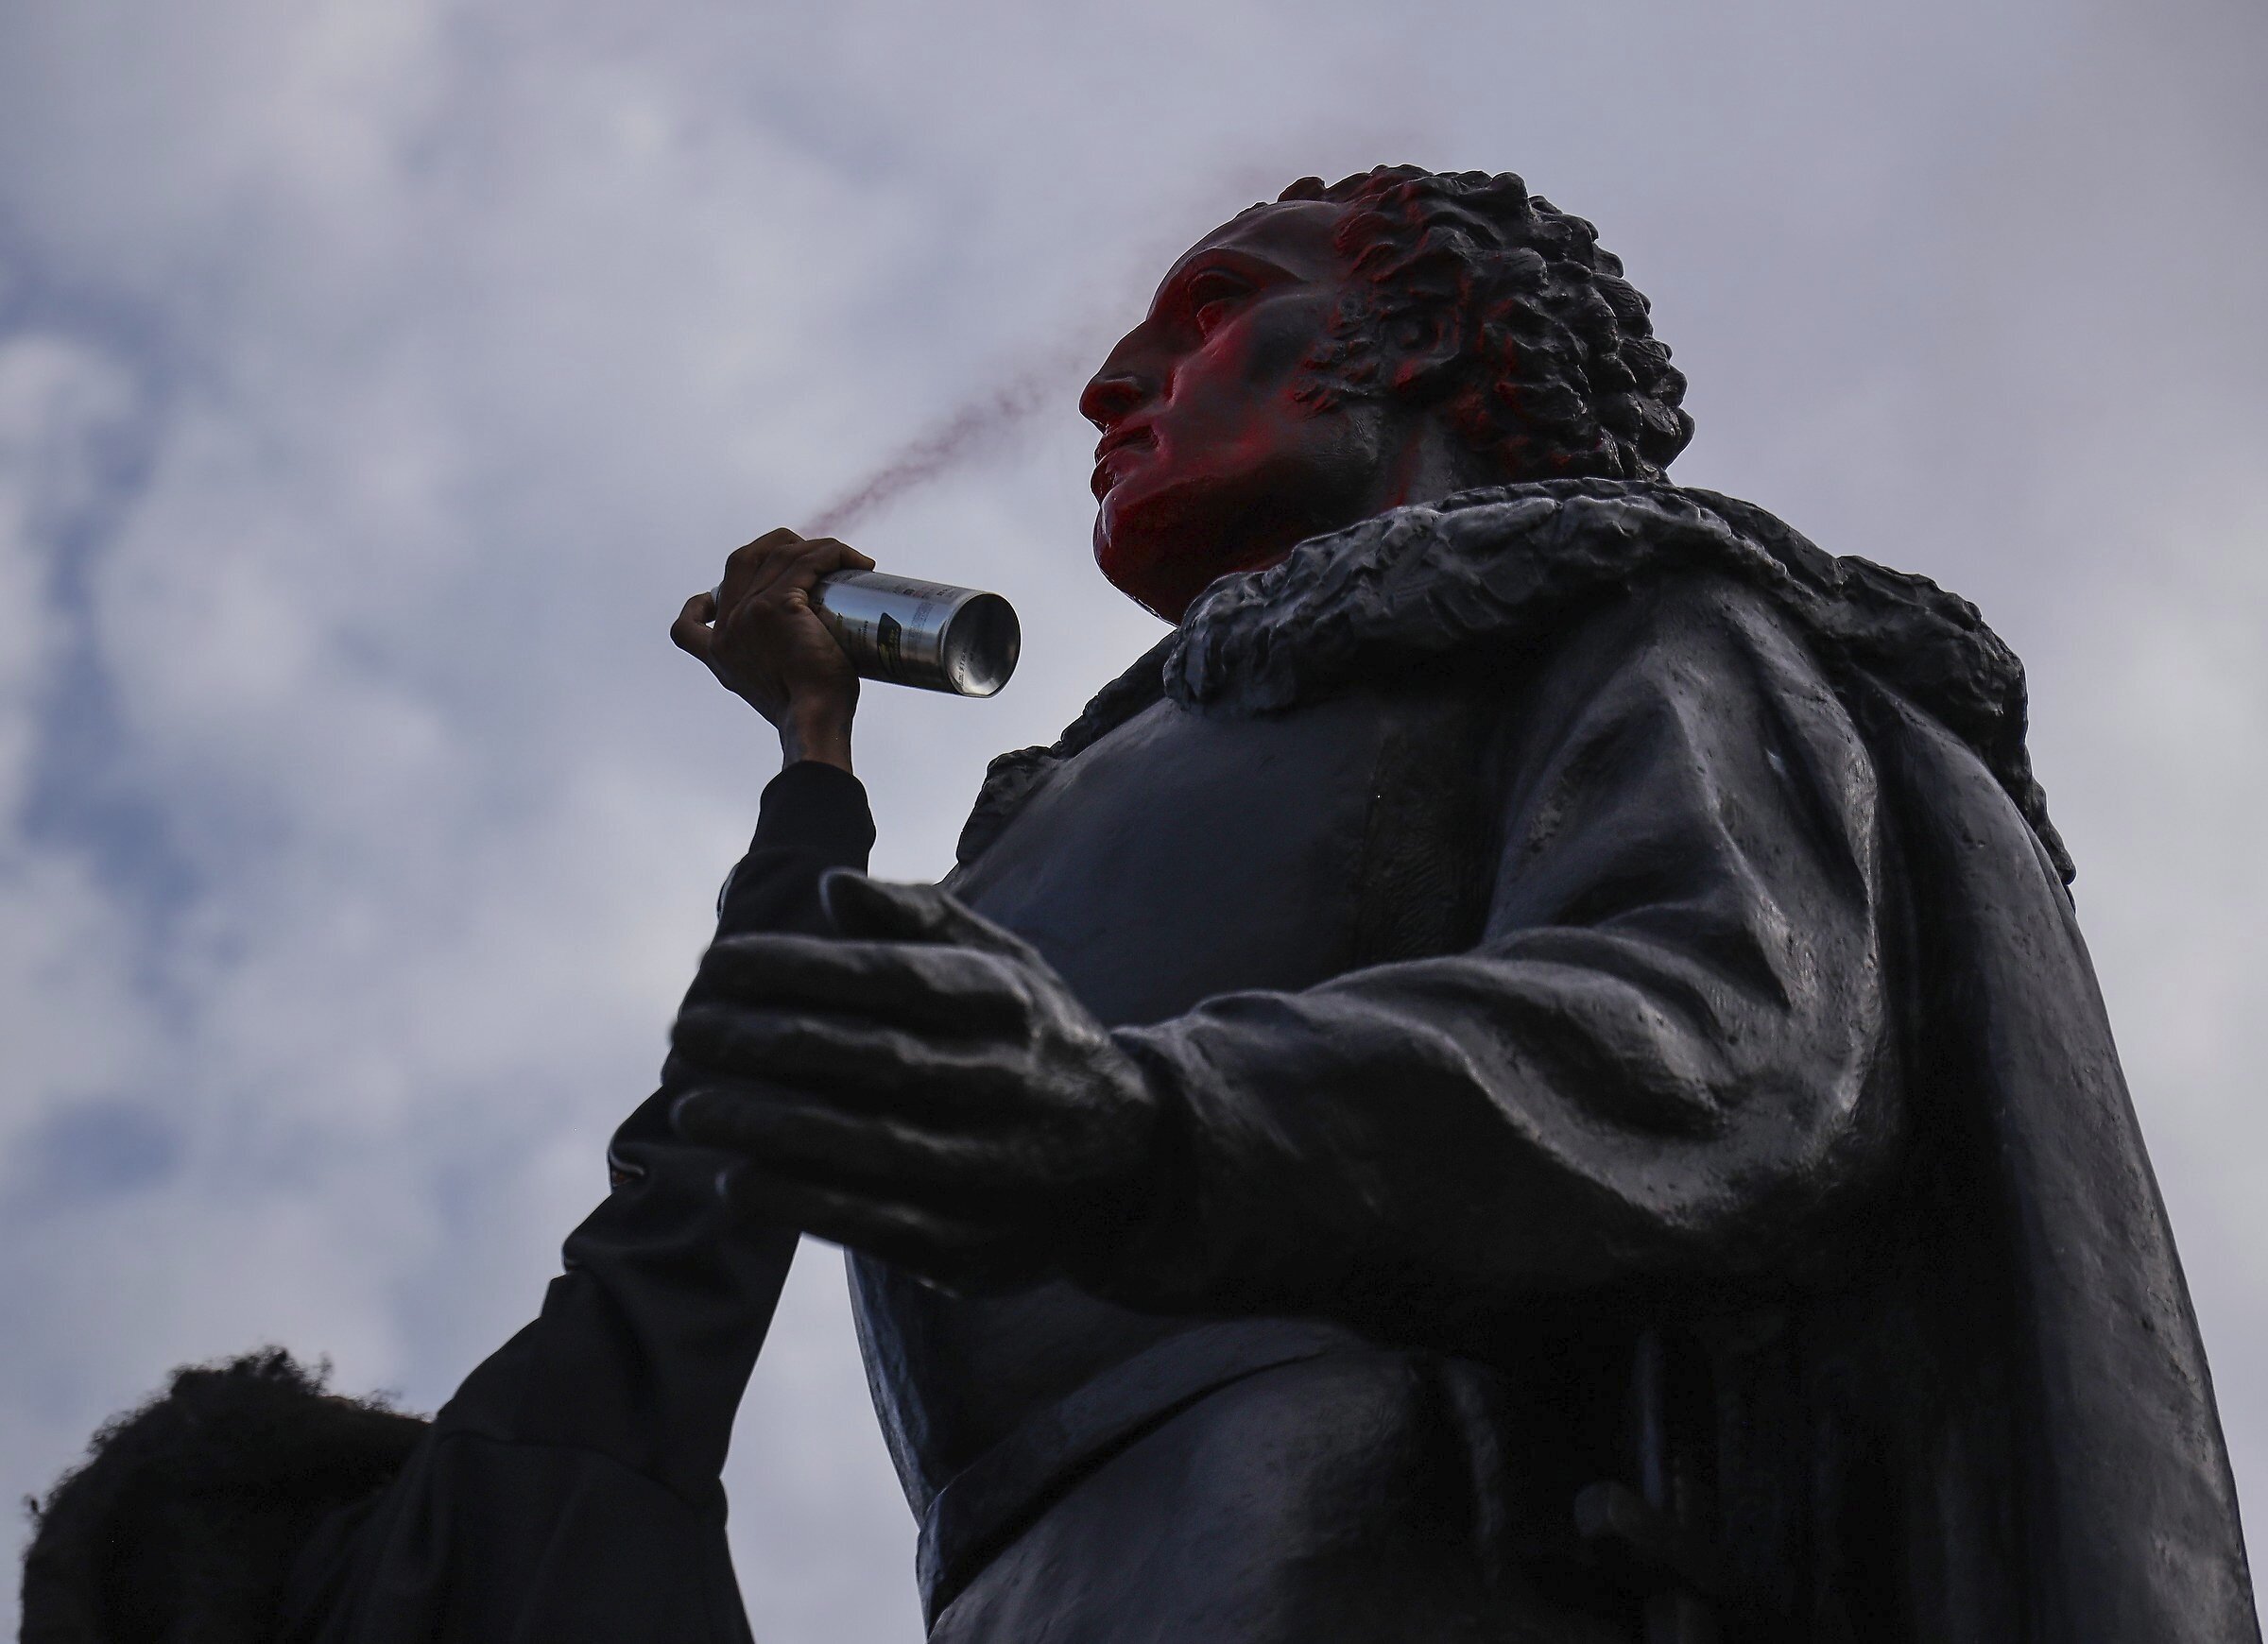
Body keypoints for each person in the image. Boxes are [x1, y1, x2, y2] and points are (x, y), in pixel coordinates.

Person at [23, 166, 2258, 1643]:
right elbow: (702, 1189)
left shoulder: (1635, 624)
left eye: (1210, 320)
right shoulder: (1081, 799)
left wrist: (1142, 1127)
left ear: (1419, 351)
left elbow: (1730, 1042)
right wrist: (818, 760)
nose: (1112, 382)